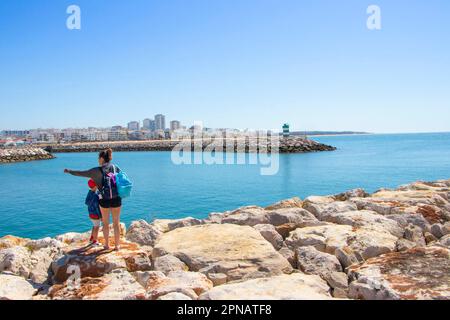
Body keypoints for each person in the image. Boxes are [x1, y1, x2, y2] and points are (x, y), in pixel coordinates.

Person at [64, 148, 123, 251]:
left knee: (105, 223)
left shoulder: (96, 171)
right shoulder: (115, 167)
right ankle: (117, 246)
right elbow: (123, 180)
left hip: (104, 199)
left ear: (101, 158)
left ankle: (106, 245)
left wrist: (69, 171)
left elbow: (81, 173)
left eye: (98, 158)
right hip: (116, 198)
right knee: (116, 222)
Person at [85, 179, 102, 245]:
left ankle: (92, 238)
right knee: (97, 227)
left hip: (91, 214)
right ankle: (95, 241)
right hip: (96, 214)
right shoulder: (95, 196)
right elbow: (97, 207)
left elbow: (86, 202)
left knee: (94, 226)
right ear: (95, 186)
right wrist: (101, 216)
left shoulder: (89, 193)